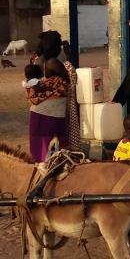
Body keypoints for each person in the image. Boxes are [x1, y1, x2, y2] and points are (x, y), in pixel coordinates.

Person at [28, 31, 82, 161]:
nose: (60, 50)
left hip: (40, 113)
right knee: (55, 151)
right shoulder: (52, 62)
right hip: (51, 115)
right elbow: (71, 78)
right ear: (54, 47)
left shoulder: (38, 60)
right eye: (59, 47)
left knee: (41, 153)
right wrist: (69, 55)